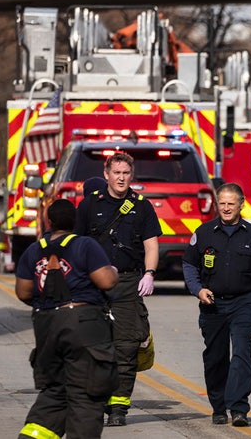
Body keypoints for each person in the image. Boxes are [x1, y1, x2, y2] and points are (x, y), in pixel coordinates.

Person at [182, 182, 251, 427]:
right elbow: (189, 265)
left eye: (232, 203)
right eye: (222, 203)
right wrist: (198, 290)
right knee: (215, 357)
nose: (226, 208)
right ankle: (218, 406)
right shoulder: (204, 233)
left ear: (242, 205)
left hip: (244, 302)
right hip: (212, 305)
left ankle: (239, 407)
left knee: (242, 352)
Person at [15, 199, 120, 439]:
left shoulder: (33, 250)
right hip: (82, 324)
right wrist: (112, 271)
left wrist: (50, 306)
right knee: (86, 393)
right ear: (75, 222)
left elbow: (23, 292)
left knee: (54, 392)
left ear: (48, 222)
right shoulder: (85, 245)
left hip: (46, 325)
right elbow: (106, 281)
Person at [74, 151, 162, 427]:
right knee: (94, 346)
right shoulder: (89, 205)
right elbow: (75, 245)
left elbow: (151, 245)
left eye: (126, 173)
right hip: (94, 285)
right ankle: (98, 401)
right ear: (106, 175)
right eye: (117, 173)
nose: (121, 178)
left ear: (130, 175)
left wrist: (149, 274)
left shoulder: (142, 206)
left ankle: (119, 408)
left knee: (126, 347)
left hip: (127, 283)